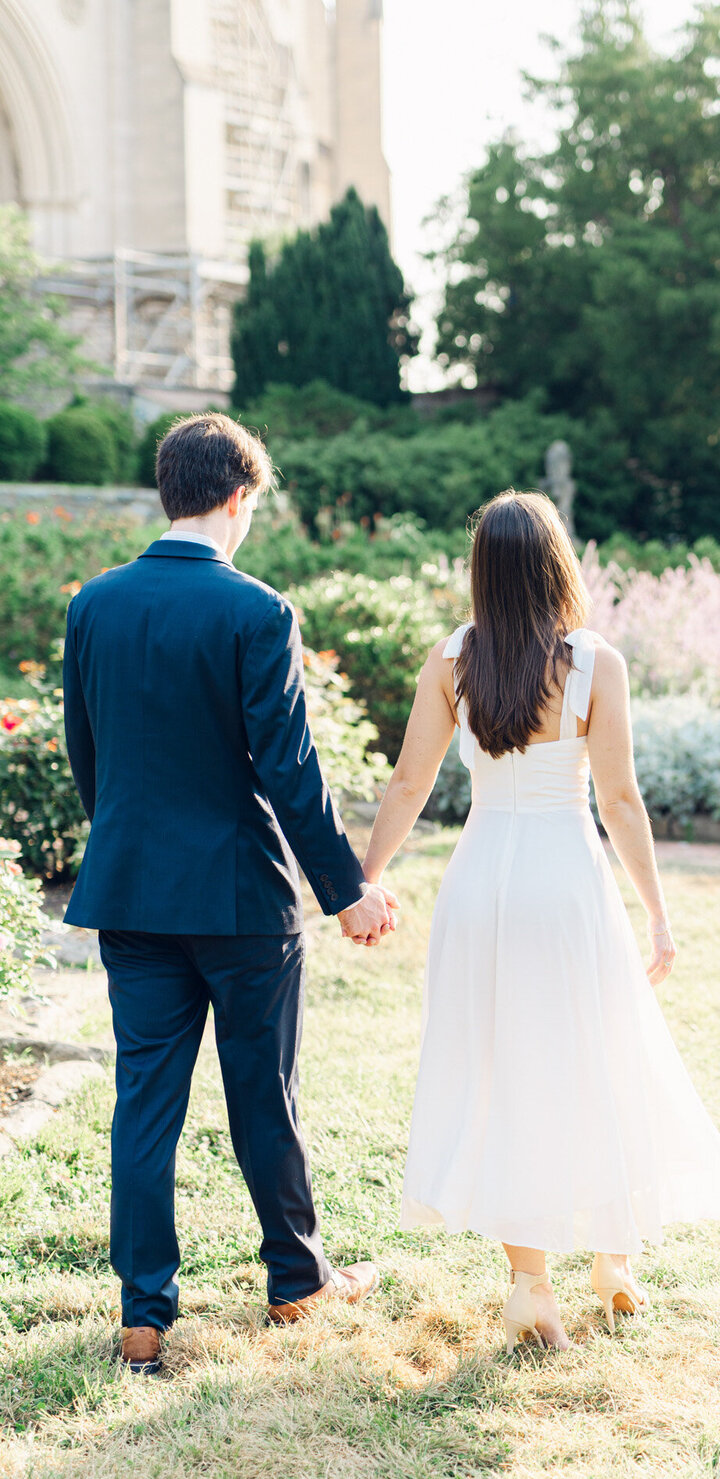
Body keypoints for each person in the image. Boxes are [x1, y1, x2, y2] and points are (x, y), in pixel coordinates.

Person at [361, 490, 720, 1350]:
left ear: (481, 572)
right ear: (557, 563)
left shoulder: (451, 659)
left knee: (500, 1067)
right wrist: (658, 913)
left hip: (480, 881)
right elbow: (620, 797)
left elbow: (408, 784)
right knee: (598, 1053)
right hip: (566, 881)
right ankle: (612, 1257)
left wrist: (368, 878)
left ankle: (531, 1283)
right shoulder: (594, 662)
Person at [62, 413, 397, 1375]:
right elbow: (291, 771)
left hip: (131, 894)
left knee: (144, 1104)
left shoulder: (95, 605)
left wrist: (127, 839)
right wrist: (348, 892)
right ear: (239, 497)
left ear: (169, 491)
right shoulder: (257, 611)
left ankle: (143, 1314)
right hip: (244, 902)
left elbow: (92, 758)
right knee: (265, 1094)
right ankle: (296, 1283)